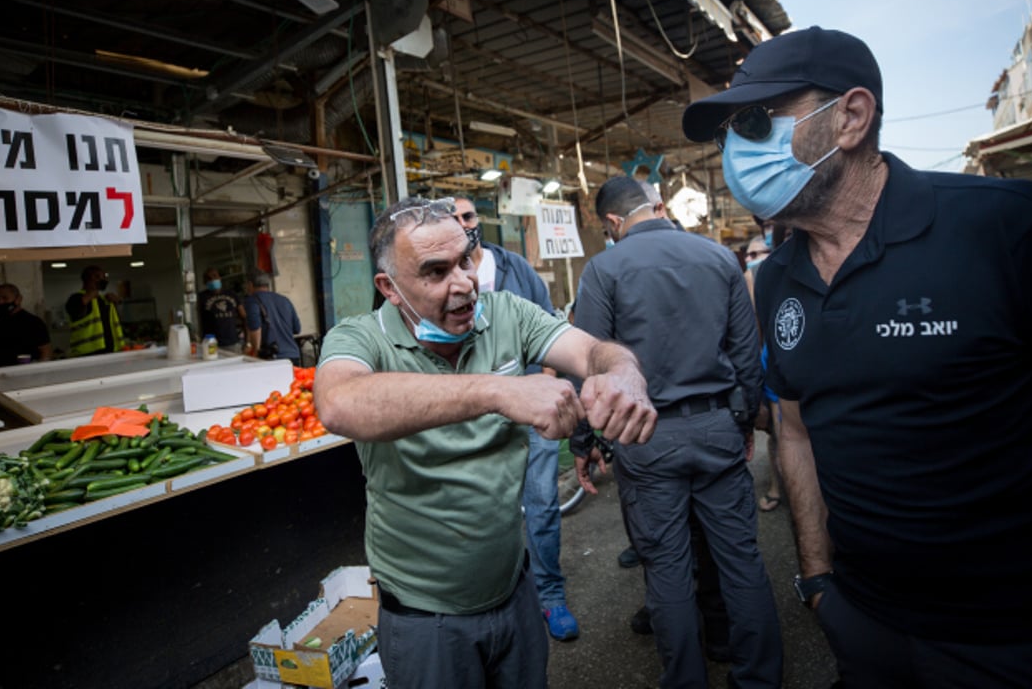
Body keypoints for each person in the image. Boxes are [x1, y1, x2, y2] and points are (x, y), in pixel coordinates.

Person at [682, 25, 1032, 687]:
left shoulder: (1007, 227)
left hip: (1012, 635)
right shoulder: (774, 278)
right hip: (863, 621)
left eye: (754, 121)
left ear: (852, 118)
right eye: (728, 134)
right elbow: (796, 428)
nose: (735, 151)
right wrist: (817, 578)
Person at [313, 196, 657, 689]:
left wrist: (624, 372)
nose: (463, 284)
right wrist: (499, 391)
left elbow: (591, 349)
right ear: (390, 288)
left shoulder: (505, 313)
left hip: (513, 592)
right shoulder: (362, 337)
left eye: (465, 259)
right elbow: (339, 404)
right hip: (425, 617)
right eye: (435, 272)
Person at [572, 175, 782, 689]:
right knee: (740, 559)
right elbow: (745, 353)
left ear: (613, 223)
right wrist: (744, 420)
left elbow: (589, 367)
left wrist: (586, 442)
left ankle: (686, 679)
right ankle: (758, 678)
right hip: (716, 427)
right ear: (656, 207)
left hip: (644, 436)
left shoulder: (603, 269)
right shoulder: (717, 258)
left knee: (666, 566)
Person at [451, 196, 579, 642]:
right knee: (483, 509)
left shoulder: (514, 268)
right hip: (473, 414)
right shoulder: (445, 278)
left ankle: (550, 596)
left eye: (468, 216)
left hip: (529, 409)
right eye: (452, 218)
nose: (462, 224)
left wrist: (544, 382)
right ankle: (491, 599)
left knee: (541, 504)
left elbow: (549, 326)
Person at [742, 237, 781, 514]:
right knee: (781, 431)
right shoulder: (752, 276)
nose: (753, 257)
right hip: (771, 358)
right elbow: (752, 326)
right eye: (749, 253)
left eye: (759, 252)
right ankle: (777, 485)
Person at [0, 283, 52, 368]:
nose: (0, 302)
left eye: (5, 298)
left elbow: (45, 352)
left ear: (18, 299)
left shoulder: (33, 322)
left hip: (24, 375)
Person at [65, 265, 126, 357]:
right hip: (86, 354)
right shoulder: (76, 298)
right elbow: (76, 310)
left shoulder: (104, 300)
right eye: (99, 277)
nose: (103, 280)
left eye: (105, 277)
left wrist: (117, 303)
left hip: (111, 352)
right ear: (90, 278)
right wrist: (91, 294)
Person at [243, 272, 301, 364]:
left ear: (250, 284)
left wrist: (255, 351)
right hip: (292, 356)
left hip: (271, 358)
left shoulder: (252, 301)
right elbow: (297, 329)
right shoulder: (285, 300)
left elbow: (255, 327)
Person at [197, 268, 243, 354]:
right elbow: (198, 319)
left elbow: (244, 316)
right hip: (212, 343)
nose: (212, 280)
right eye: (209, 278)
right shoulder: (201, 297)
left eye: (215, 276)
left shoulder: (231, 294)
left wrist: (248, 342)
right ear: (205, 282)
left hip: (233, 343)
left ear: (219, 277)